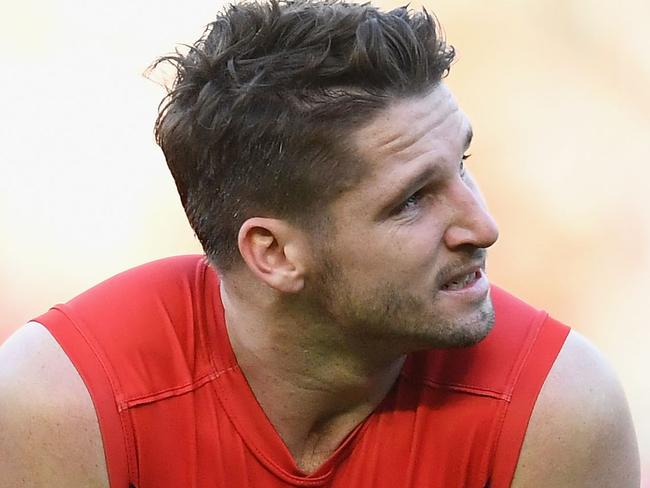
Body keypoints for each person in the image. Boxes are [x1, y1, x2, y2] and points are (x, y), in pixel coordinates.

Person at [0, 0, 640, 486]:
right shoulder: (64, 404)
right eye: (411, 199)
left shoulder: (557, 411)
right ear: (274, 254)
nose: (483, 227)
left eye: (463, 164)